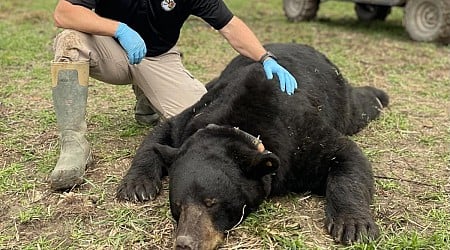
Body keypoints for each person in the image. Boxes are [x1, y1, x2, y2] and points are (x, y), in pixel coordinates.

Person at [49, 0, 298, 190]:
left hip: (159, 57)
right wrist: (119, 29)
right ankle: (73, 143)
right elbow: (63, 12)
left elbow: (229, 24)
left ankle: (147, 93)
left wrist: (265, 57)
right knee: (70, 40)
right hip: (110, 47)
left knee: (203, 120)